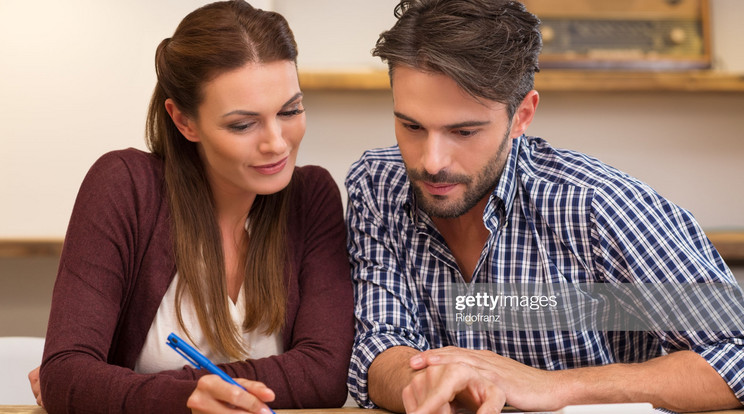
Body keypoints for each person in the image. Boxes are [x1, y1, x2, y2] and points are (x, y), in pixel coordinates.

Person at [344, 0, 744, 413]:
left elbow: (736, 353)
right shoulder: (378, 186)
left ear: (522, 115)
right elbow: (380, 344)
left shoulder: (597, 205)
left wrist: (554, 387)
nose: (431, 161)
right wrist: (428, 384)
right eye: (411, 126)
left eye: (463, 131)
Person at [27, 1, 353, 413]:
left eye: (290, 110)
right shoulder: (124, 186)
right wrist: (183, 397)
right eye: (243, 124)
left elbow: (325, 376)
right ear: (184, 121)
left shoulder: (312, 196)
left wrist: (126, 388)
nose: (277, 142)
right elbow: (67, 374)